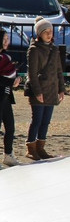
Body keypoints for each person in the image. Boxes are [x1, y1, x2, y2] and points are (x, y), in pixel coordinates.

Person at [24, 19, 65, 161]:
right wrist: (37, 92)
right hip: (40, 89)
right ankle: (31, 147)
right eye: (45, 32)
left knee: (46, 121)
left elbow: (59, 70)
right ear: (39, 34)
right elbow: (32, 73)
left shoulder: (54, 49)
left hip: (51, 90)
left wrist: (61, 89)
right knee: (37, 120)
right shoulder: (34, 49)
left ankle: (40, 147)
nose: (49, 34)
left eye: (50, 32)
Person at [0, 27, 22, 167]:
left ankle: (8, 154)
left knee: (10, 127)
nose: (7, 42)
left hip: (6, 97)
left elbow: (11, 73)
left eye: (8, 39)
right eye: (4, 39)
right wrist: (10, 81)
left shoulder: (6, 57)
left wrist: (16, 78)